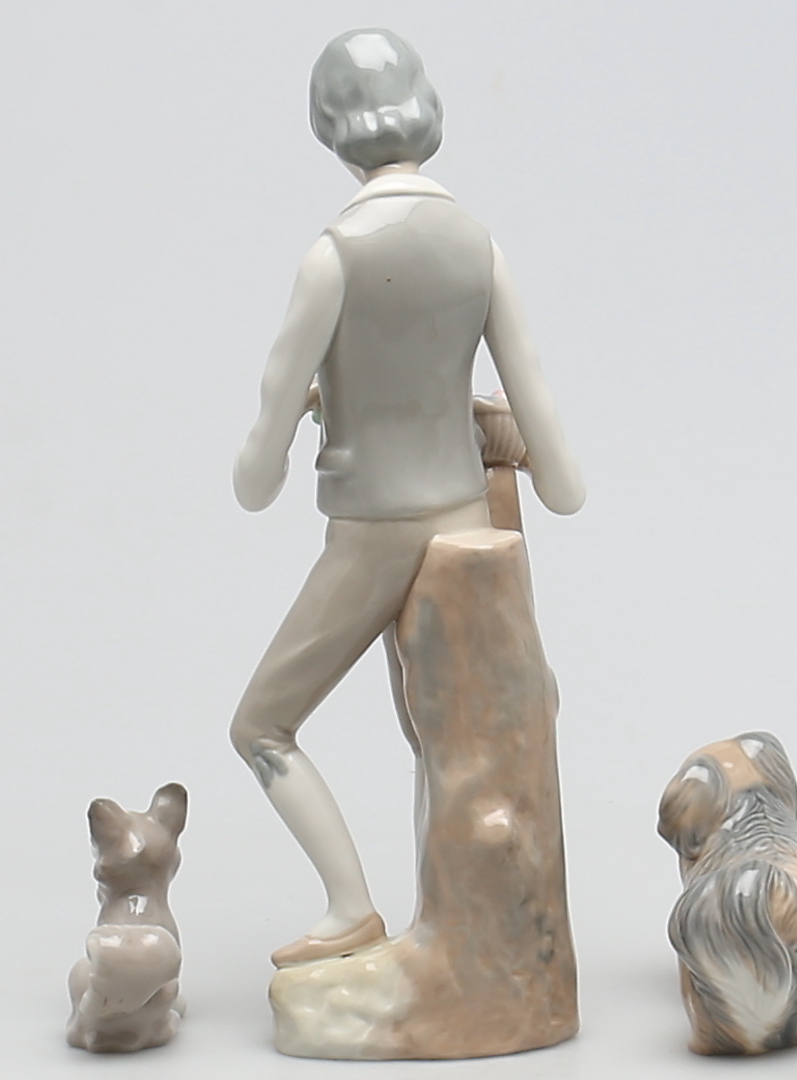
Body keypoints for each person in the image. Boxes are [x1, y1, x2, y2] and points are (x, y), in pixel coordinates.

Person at [231, 28, 584, 967]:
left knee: (262, 725)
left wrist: (301, 434)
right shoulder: (480, 248)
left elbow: (258, 473)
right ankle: (464, 932)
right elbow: (555, 457)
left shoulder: (333, 258)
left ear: (328, 127)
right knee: (440, 736)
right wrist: (532, 465)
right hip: (464, 520)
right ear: (428, 110)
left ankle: (351, 906)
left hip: (371, 536)